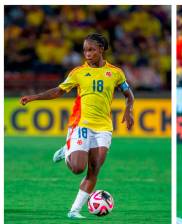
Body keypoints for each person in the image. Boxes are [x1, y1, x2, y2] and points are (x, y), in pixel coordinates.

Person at [20, 33, 134, 219]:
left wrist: (128, 110)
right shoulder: (78, 73)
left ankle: (74, 211)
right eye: (85, 50)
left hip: (104, 127)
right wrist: (35, 97)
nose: (87, 54)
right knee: (77, 168)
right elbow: (58, 91)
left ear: (101, 50)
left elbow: (129, 94)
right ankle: (67, 149)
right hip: (81, 124)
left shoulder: (115, 73)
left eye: (91, 50)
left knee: (94, 168)